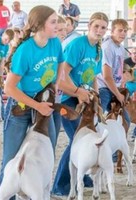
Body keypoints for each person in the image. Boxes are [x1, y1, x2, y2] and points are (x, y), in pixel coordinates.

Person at [0, 5, 64, 200]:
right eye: (53, 22)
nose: (57, 25)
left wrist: (56, 84)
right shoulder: (25, 50)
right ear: (40, 25)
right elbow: (9, 88)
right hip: (21, 106)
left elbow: (60, 62)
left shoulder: (55, 44)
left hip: (43, 103)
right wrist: (37, 106)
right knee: (10, 160)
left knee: (47, 154)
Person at [51, 12, 109, 196]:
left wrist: (96, 96)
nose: (99, 30)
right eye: (96, 26)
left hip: (84, 98)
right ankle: (60, 186)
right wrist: (77, 92)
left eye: (103, 27)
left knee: (86, 138)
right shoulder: (78, 44)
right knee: (76, 141)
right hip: (68, 98)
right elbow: (63, 74)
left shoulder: (98, 49)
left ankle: (82, 176)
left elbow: (92, 76)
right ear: (89, 26)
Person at [97, 19, 130, 158]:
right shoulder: (107, 47)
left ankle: (114, 154)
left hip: (114, 87)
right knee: (99, 121)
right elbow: (107, 76)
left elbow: (119, 70)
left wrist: (122, 84)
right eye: (120, 30)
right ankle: (99, 151)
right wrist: (118, 94)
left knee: (125, 120)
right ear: (112, 31)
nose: (123, 33)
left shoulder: (121, 48)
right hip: (103, 88)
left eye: (125, 31)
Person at [124, 47, 136, 138]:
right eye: (134, 53)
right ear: (130, 54)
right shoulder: (126, 62)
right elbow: (129, 78)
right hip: (129, 89)